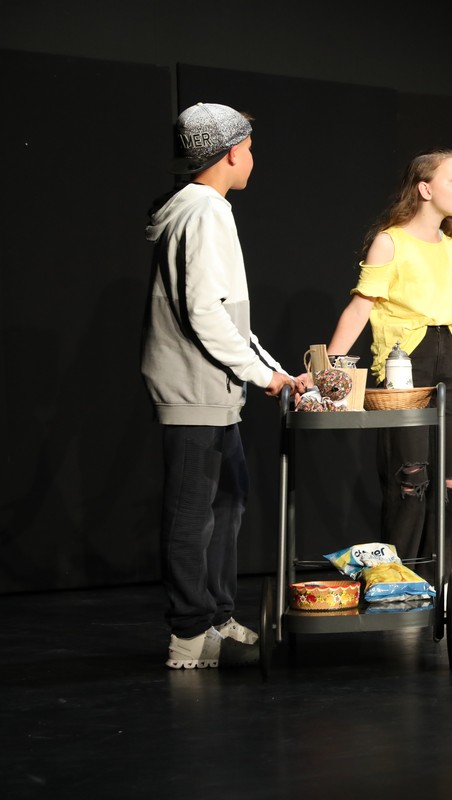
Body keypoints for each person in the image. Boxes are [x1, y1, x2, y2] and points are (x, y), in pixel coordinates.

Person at [141, 102, 296, 668]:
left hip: (217, 390)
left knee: (228, 498)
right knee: (192, 512)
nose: (252, 158)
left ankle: (215, 616)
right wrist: (260, 374)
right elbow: (204, 313)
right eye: (249, 148)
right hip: (195, 391)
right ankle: (188, 635)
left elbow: (231, 317)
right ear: (231, 153)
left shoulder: (205, 209)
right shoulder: (205, 212)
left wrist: (275, 370)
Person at [312, 147, 452, 565]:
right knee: (411, 477)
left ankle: (436, 574)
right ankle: (397, 575)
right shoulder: (390, 242)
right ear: (425, 189)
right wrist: (323, 373)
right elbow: (359, 309)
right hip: (403, 368)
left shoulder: (449, 247)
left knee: (450, 480)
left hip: (446, 368)